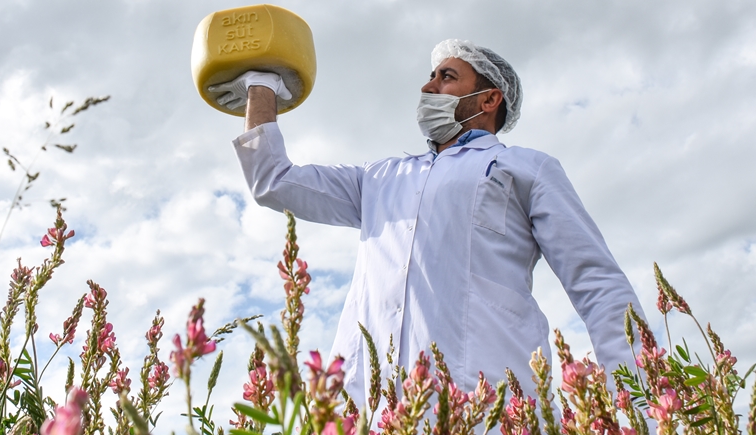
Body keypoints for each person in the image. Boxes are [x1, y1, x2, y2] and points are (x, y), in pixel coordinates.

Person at [211, 39, 643, 409]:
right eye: (431, 75)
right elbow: (274, 182)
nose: (427, 86)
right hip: (371, 415)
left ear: (489, 99)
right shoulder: (380, 178)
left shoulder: (524, 167)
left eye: (446, 76)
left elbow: (595, 280)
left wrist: (640, 399)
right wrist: (261, 84)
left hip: (486, 409)